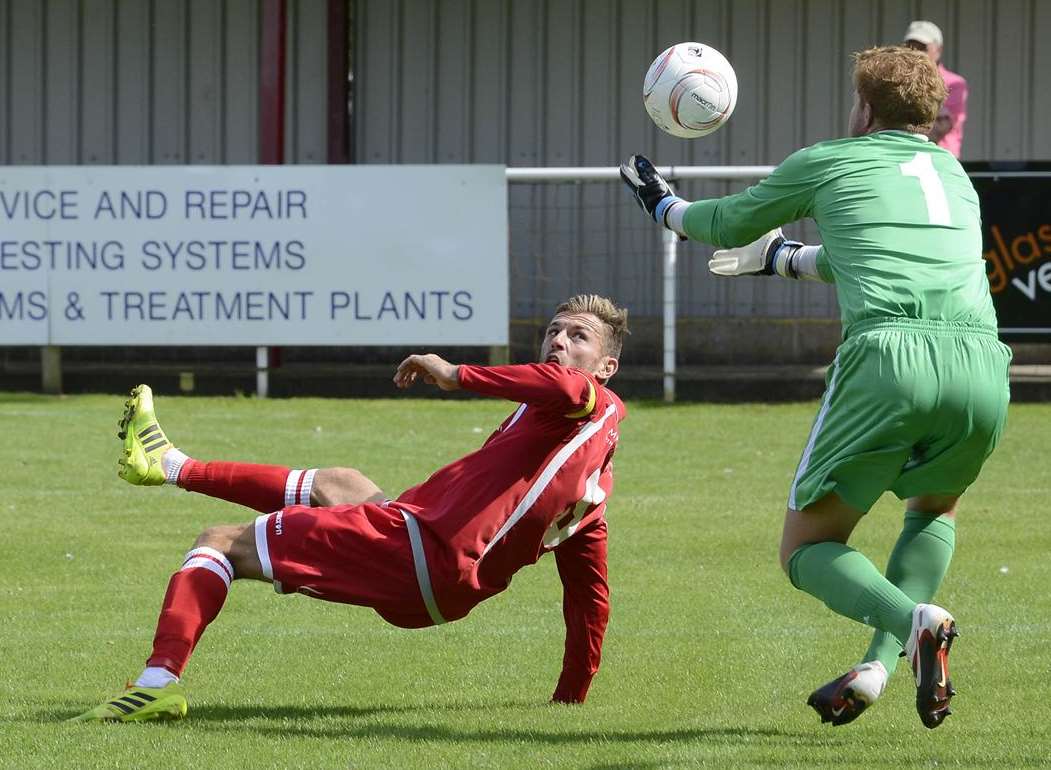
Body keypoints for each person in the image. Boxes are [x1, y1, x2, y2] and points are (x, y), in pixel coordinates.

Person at [620, 46, 1010, 729]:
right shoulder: (952, 174)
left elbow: (729, 220)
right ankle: (881, 665)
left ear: (864, 108)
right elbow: (871, 251)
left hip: (890, 359)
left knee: (805, 548)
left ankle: (911, 619)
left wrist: (663, 206)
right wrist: (781, 259)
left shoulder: (831, 158)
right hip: (981, 363)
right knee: (931, 512)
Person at [72, 294, 629, 722]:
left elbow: (560, 387)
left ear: (605, 368)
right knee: (343, 482)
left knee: (218, 540)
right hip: (436, 569)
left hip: (418, 554)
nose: (559, 341)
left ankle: (154, 686)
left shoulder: (588, 400)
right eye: (554, 331)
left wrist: (455, 374)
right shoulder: (590, 484)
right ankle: (167, 464)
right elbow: (590, 598)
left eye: (578, 337)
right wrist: (570, 698)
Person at [904, 20, 968, 157]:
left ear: (939, 49)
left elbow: (940, 127)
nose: (915, 53)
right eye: (910, 47)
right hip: (906, 156)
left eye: (922, 48)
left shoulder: (954, 84)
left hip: (941, 158)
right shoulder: (898, 81)